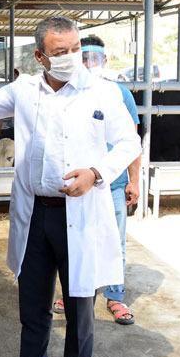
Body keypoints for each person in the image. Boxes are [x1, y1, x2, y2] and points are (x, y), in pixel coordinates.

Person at [0, 16, 141, 357]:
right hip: (35, 216)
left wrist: (95, 173)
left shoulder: (102, 92)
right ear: (40, 56)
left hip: (78, 212)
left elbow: (129, 142)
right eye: (61, 52)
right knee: (33, 306)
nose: (72, 57)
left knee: (79, 308)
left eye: (75, 49)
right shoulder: (25, 89)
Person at [52, 35, 141, 325]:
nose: (90, 64)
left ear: (105, 60)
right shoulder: (67, 90)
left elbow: (132, 141)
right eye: (84, 57)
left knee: (114, 240)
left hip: (112, 183)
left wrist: (134, 180)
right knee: (77, 241)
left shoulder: (117, 92)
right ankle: (77, 293)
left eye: (95, 58)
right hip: (78, 185)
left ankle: (115, 296)